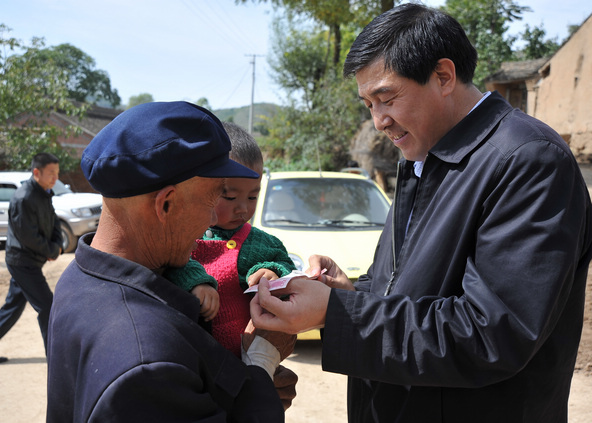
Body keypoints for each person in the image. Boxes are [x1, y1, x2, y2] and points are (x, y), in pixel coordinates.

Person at [249, 4, 592, 423]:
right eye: (368, 104)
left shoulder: (528, 161)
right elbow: (407, 288)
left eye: (386, 98)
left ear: (443, 76)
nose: (379, 121)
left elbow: (492, 333)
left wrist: (337, 313)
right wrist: (349, 293)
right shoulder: (424, 159)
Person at [46, 101, 296, 422]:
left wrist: (250, 387)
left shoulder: (80, 277)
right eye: (213, 198)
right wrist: (262, 362)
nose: (212, 220)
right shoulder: (147, 365)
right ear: (166, 204)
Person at [165, 121, 297, 357]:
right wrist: (195, 281)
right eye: (230, 197)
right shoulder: (182, 236)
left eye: (252, 197)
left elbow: (288, 269)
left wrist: (273, 272)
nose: (243, 209)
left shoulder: (262, 243)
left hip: (245, 360)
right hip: (192, 360)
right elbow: (169, 267)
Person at [0, 152, 63, 364]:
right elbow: (28, 236)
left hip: (31, 259)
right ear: (36, 172)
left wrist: (57, 245)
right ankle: (55, 359)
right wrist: (51, 250)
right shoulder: (23, 198)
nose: (55, 178)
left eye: (57, 173)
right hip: (22, 261)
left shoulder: (44, 193)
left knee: (13, 306)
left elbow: (54, 221)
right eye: (51, 173)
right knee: (47, 307)